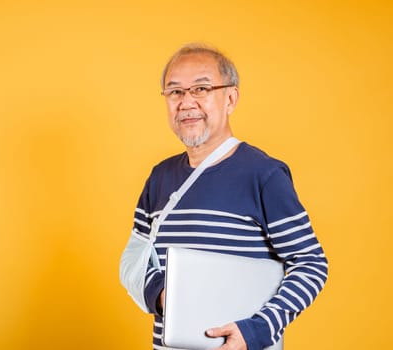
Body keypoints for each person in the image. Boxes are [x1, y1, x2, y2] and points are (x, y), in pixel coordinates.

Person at [122, 43, 328, 350]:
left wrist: (256, 330)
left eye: (201, 88)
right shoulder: (159, 177)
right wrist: (163, 295)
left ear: (230, 98)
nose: (186, 102)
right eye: (175, 92)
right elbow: (134, 261)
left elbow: (311, 264)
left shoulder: (265, 175)